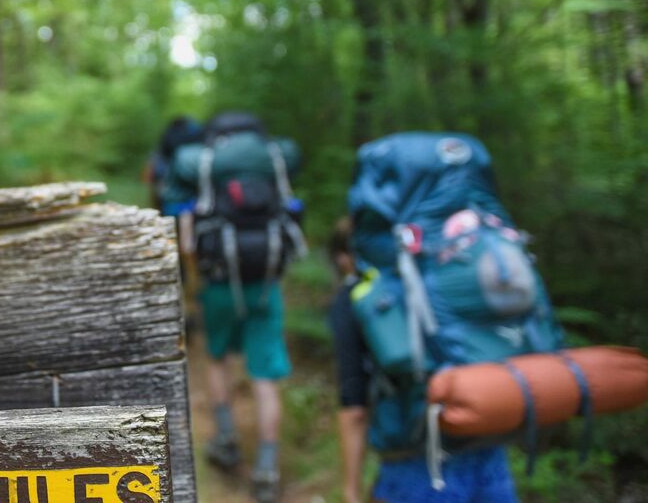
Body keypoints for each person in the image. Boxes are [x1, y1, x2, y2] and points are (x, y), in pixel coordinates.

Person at [329, 221, 520, 503]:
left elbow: (354, 406)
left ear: (347, 256)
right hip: (487, 451)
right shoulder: (445, 276)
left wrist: (351, 491)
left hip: (416, 464)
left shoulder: (355, 299)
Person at [171, 112, 304, 503]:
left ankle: (225, 440)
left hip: (219, 282)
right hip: (266, 282)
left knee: (218, 359)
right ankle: (267, 467)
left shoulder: (205, 161)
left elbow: (188, 239)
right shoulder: (274, 157)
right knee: (265, 375)